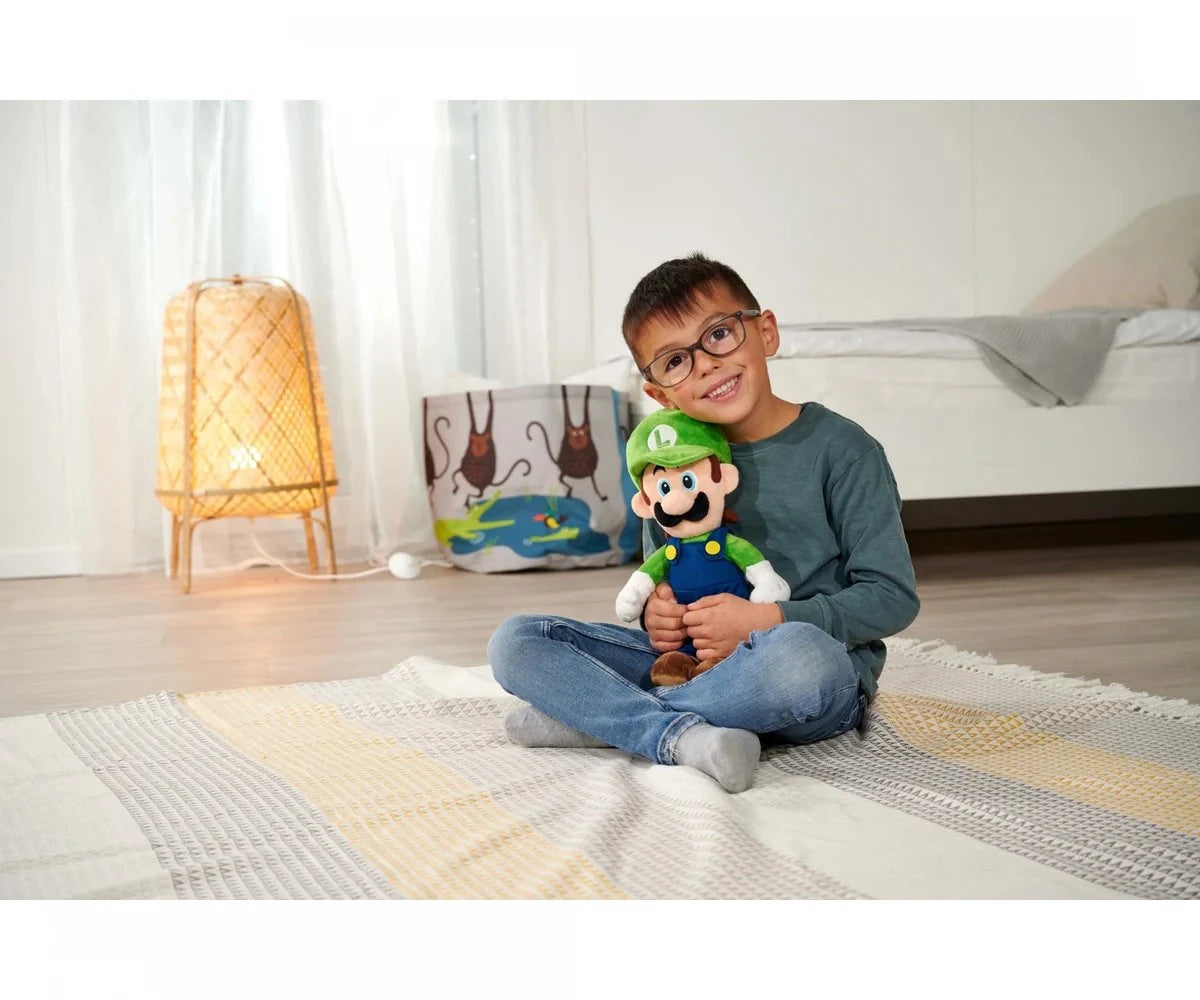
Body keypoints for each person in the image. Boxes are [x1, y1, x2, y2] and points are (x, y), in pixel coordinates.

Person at [487, 253, 920, 793]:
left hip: (800, 673)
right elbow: (662, 575)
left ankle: (602, 721)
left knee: (803, 661)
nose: (707, 365)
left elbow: (893, 598)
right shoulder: (665, 465)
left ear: (765, 332)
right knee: (517, 641)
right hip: (690, 664)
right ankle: (679, 733)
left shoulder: (843, 450)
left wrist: (769, 620)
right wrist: (657, 614)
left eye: (719, 334)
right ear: (659, 394)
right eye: (674, 362)